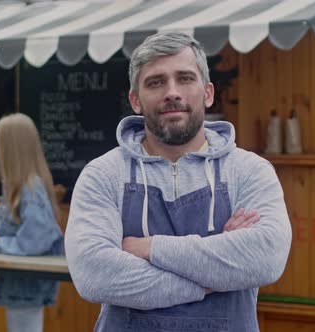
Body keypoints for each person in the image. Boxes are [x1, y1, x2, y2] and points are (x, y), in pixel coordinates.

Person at [65, 32, 292, 331]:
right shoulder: (103, 174)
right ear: (135, 100)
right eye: (156, 82)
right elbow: (94, 275)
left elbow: (265, 258)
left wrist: (151, 248)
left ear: (208, 93)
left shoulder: (249, 170)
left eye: (185, 78)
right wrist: (211, 280)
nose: (172, 92)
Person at [0, 113, 64, 332]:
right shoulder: (18, 184)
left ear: (13, 146)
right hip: (20, 285)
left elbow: (34, 241)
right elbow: (13, 212)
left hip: (27, 286)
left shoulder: (31, 188)